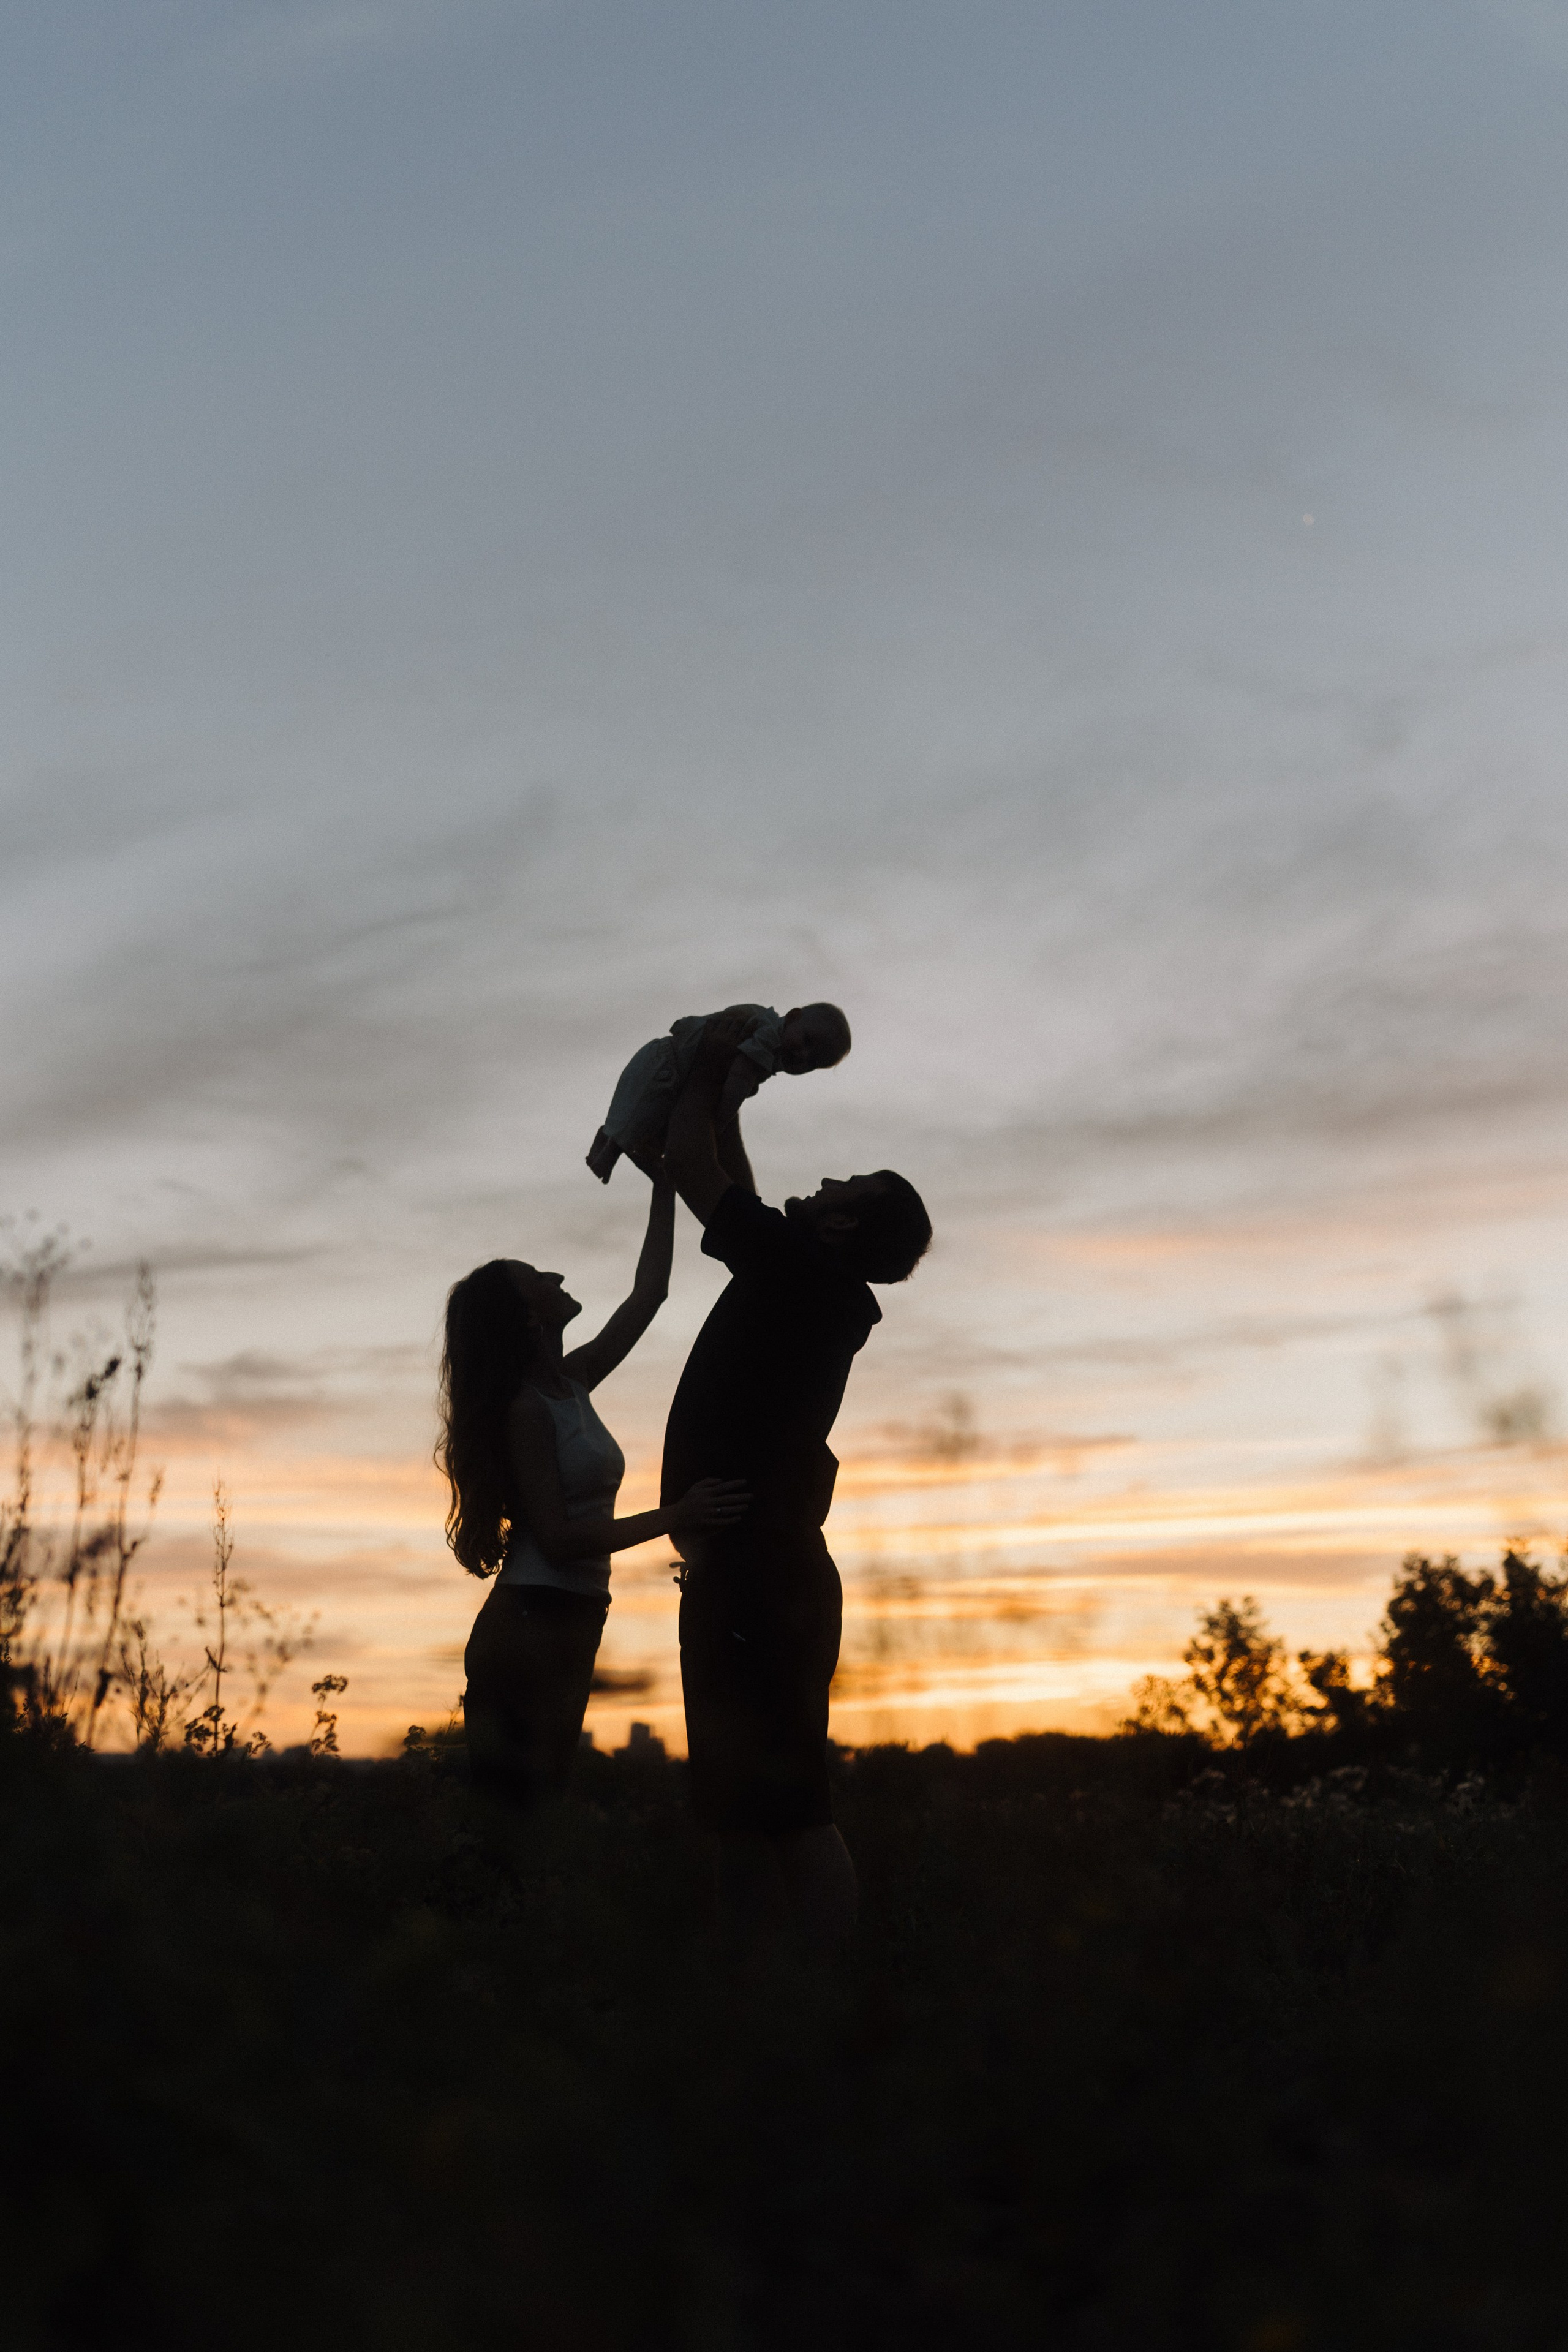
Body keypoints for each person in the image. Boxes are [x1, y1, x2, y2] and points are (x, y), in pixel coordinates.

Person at [658, 1012, 932, 1958]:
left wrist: (711, 1069)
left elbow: (698, 1168)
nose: (819, 1185)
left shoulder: (803, 1277)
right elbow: (736, 1184)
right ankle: (755, 2012)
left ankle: (823, 2010)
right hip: (749, 1578)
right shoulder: (803, 1275)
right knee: (740, 1814)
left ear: (844, 1223)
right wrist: (743, 1091)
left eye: (841, 1185)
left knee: (792, 1813)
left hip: (762, 1584)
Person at [439, 1166, 748, 1804]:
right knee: (517, 1817)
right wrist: (677, 1515)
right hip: (534, 1618)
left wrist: (666, 1184)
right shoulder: (526, 1409)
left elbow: (649, 1295)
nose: (555, 1278)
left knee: (538, 1811)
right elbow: (556, 1538)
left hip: (572, 1615)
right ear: (527, 1316)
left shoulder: (570, 1383)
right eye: (539, 1280)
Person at [586, 999, 851, 1183]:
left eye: (813, 1061)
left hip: (676, 1072)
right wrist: (720, 1120)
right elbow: (738, 1080)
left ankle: (610, 1140)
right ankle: (611, 1149)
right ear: (792, 1018)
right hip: (668, 1065)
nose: (803, 1054)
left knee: (655, 1129)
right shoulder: (766, 1037)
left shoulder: (770, 1048)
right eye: (807, 1041)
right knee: (643, 1113)